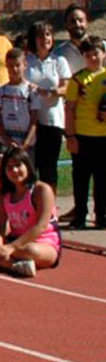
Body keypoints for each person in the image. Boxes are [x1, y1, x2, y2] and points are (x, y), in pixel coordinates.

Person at [0, 148, 61, 278]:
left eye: (18, 165)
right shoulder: (4, 194)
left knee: (31, 250)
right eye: (9, 167)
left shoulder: (41, 190)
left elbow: (41, 226)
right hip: (14, 241)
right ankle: (13, 266)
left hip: (43, 243)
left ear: (27, 166)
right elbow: (0, 224)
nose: (14, 171)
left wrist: (12, 247)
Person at [64, 36, 106, 229]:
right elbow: (69, 109)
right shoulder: (77, 79)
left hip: (103, 137)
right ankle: (80, 215)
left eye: (96, 54)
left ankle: (101, 216)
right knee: (81, 179)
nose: (93, 58)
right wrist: (70, 136)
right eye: (88, 55)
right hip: (82, 137)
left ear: (103, 54)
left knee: (102, 180)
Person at [24, 21, 70, 189]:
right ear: (34, 39)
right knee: (29, 167)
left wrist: (51, 92)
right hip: (29, 121)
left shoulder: (59, 61)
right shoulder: (26, 61)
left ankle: (50, 208)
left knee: (48, 168)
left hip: (52, 120)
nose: (45, 39)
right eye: (40, 35)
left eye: (48, 34)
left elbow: (66, 88)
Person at [0, 48, 40, 151]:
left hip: (27, 144)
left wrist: (26, 142)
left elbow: (34, 120)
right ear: (6, 67)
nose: (14, 69)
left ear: (25, 65)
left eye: (18, 65)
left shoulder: (31, 91)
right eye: (10, 66)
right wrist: (6, 139)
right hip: (6, 143)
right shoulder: (2, 91)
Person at [53, 3, 89, 75]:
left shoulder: (103, 48)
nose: (77, 24)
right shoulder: (58, 54)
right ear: (66, 25)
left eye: (80, 20)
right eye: (73, 21)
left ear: (87, 22)